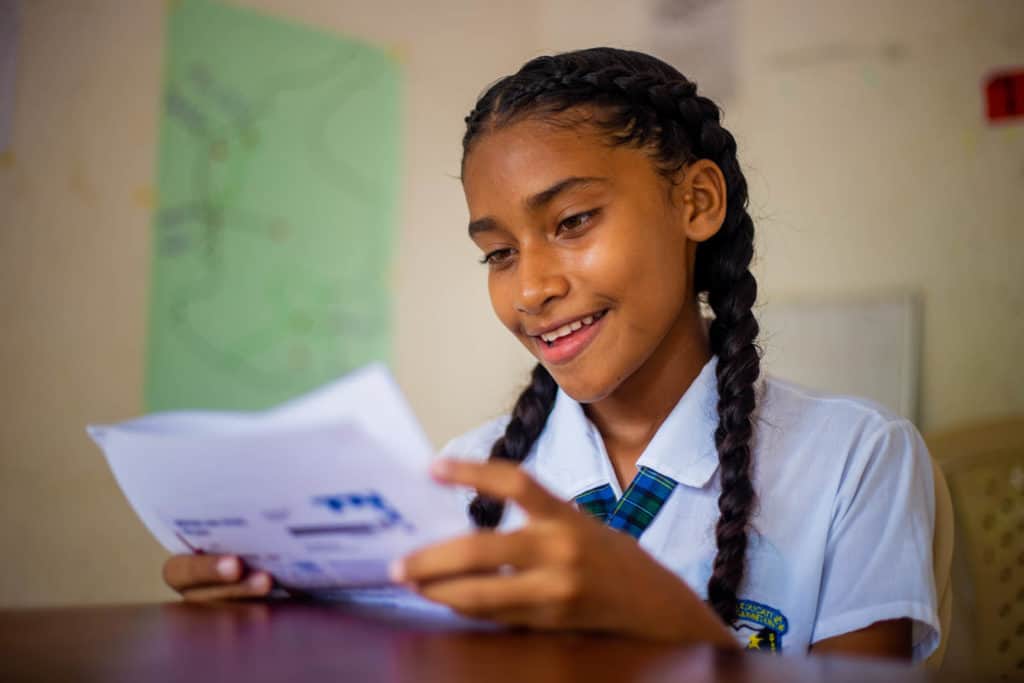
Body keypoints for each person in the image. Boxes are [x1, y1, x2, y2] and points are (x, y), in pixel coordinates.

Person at [162, 48, 939, 660]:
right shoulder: (462, 483)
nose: (530, 288)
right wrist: (280, 621)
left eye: (572, 221)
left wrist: (674, 627)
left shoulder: (856, 460)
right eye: (497, 254)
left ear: (695, 201)